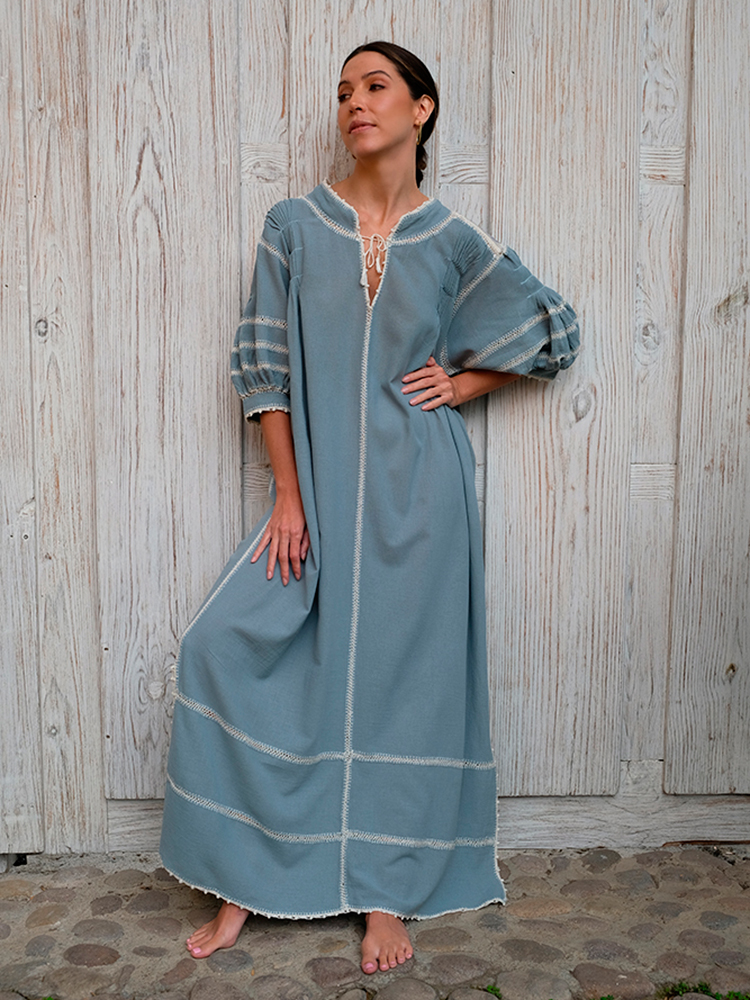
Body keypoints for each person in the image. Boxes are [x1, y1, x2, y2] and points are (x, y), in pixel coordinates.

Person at [159, 40, 579, 975]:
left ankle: (384, 894)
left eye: (376, 86)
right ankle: (242, 880)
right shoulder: (293, 226)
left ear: (421, 108)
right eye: (344, 90)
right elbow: (264, 369)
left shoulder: (452, 242)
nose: (355, 101)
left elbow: (555, 332)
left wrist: (464, 384)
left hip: (421, 495)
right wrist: (288, 497)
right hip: (316, 490)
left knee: (402, 687)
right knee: (221, 646)